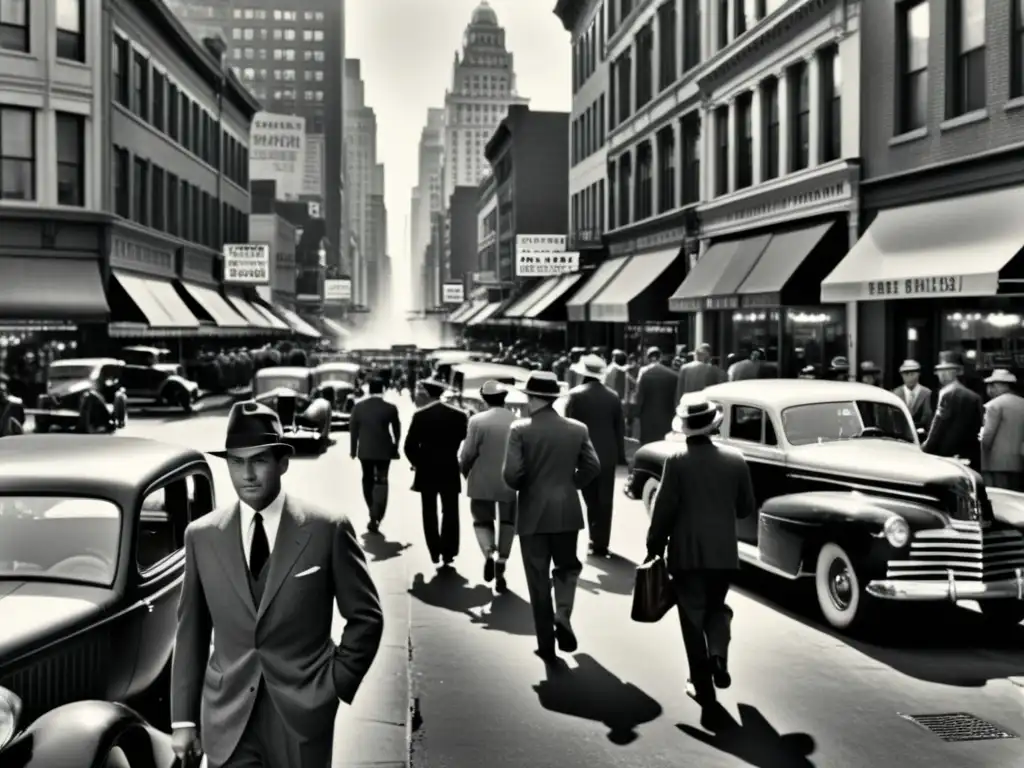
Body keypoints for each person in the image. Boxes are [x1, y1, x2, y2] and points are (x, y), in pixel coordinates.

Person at [170, 401, 383, 768]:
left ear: (283, 463)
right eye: (236, 462)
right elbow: (191, 632)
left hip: (303, 714)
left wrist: (335, 683)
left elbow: (366, 617)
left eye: (259, 460)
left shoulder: (326, 529)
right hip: (227, 716)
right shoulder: (201, 536)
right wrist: (184, 720)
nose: (247, 474)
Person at [646, 397, 754, 715]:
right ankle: (718, 654)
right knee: (717, 607)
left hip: (687, 552)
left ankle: (703, 688)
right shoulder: (736, 460)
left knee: (692, 618)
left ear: (686, 428)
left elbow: (663, 511)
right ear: (714, 426)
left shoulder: (676, 461)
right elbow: (746, 507)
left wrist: (654, 546)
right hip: (724, 551)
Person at [503, 371, 600, 661]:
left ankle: (546, 644)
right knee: (567, 568)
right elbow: (593, 466)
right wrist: (571, 484)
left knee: (537, 577)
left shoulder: (520, 429)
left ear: (532, 399)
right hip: (567, 509)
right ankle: (563, 614)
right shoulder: (577, 429)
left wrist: (526, 486)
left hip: (532, 512)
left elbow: (511, 475)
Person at [459, 380, 518, 592]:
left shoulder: (477, 421)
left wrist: (465, 472)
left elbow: (468, 453)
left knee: (482, 521)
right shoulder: (516, 420)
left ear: (484, 398)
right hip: (509, 481)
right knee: (508, 522)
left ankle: (488, 552)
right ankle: (502, 560)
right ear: (504, 398)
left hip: (482, 478)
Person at [565, 354, 626, 558]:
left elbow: (569, 427)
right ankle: (602, 542)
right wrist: (621, 456)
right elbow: (619, 429)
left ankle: (594, 537)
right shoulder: (613, 396)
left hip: (584, 455)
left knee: (590, 498)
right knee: (605, 500)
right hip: (607, 454)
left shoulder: (575, 395)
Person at [404, 376, 469, 567]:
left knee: (429, 511)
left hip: (427, 469)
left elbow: (409, 446)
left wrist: (417, 463)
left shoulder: (420, 416)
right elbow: (464, 438)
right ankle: (449, 551)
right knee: (450, 510)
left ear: (427, 394)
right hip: (449, 466)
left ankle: (434, 550)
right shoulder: (459, 415)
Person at [349, 376, 401, 533]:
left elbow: (353, 431)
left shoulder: (358, 407)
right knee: (382, 480)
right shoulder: (390, 408)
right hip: (384, 451)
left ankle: (371, 509)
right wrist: (395, 446)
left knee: (367, 479)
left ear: (368, 389)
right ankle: (378, 512)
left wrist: (353, 450)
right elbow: (397, 430)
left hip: (365, 451)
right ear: (383, 390)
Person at [923, 353, 984, 469]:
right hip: (967, 455)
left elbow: (939, 426)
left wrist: (926, 448)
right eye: (941, 370)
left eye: (948, 370)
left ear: (958, 372)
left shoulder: (947, 394)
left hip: (945, 455)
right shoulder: (974, 396)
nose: (943, 374)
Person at [980, 369, 1024, 491]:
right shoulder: (1022, 403)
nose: (990, 389)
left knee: (998, 498)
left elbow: (988, 436)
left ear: (1000, 385)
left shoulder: (994, 405)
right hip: (1019, 462)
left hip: (995, 464)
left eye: (993, 385)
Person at [636, 347, 678, 445]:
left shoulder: (644, 372)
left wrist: (637, 411)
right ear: (660, 357)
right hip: (667, 416)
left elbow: (640, 394)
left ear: (648, 357)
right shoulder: (672, 375)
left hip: (648, 417)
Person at [892, 359, 933, 432]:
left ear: (919, 374)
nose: (910, 377)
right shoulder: (895, 393)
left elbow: (928, 418)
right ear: (901, 375)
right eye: (906, 374)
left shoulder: (927, 393)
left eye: (913, 373)